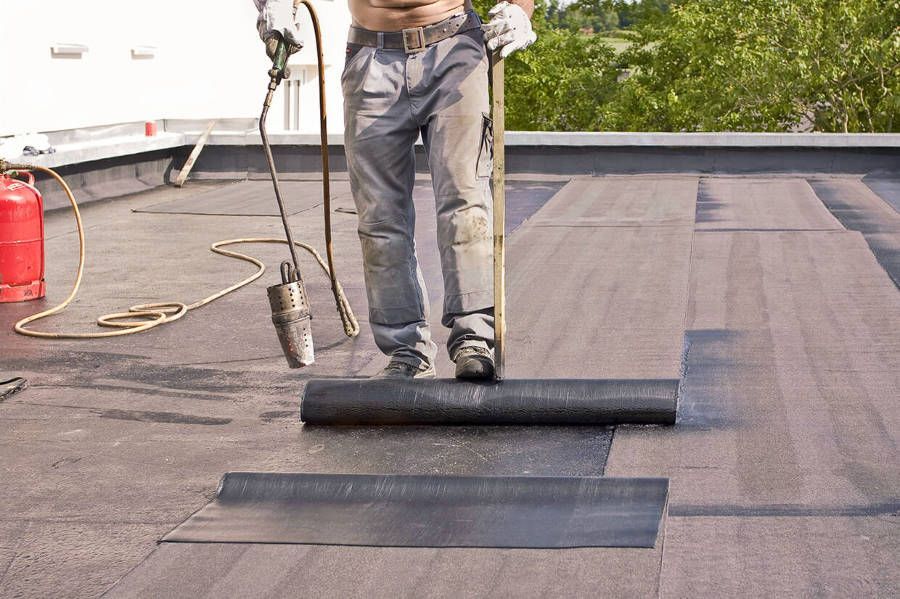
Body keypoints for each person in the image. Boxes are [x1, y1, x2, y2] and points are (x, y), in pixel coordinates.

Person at [254, 0, 536, 379]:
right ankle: (407, 350)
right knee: (379, 217)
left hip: (453, 51)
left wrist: (520, 9)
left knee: (464, 202)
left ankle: (475, 338)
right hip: (371, 56)